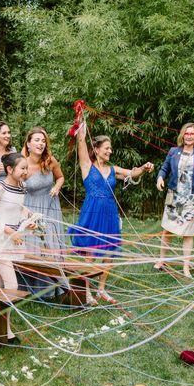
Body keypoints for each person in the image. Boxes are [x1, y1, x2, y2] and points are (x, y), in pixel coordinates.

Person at [68, 124, 153, 305]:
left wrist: (144, 168)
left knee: (109, 252)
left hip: (110, 212)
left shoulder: (113, 169)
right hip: (92, 212)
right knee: (90, 253)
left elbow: (132, 173)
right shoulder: (86, 166)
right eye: (107, 148)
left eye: (110, 148)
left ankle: (101, 289)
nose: (110, 151)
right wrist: (81, 122)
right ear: (97, 149)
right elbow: (81, 141)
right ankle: (87, 291)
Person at [0, 152, 35, 344]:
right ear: (10, 170)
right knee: (12, 285)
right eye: (22, 168)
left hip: (12, 240)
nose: (25, 172)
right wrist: (8, 231)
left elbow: (18, 209)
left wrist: (27, 221)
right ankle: (6, 329)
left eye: (26, 168)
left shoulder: (21, 187)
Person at [155, 123, 194, 277]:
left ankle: (186, 267)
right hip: (174, 196)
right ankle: (162, 260)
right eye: (186, 133)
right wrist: (160, 177)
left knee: (188, 234)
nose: (189, 136)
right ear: (182, 135)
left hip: (191, 199)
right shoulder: (174, 151)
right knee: (167, 230)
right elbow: (164, 168)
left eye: (192, 134)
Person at [21, 126, 66, 297]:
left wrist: (56, 186)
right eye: (37, 140)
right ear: (28, 143)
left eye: (43, 140)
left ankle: (51, 287)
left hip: (50, 206)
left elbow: (61, 177)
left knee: (50, 244)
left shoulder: (50, 161)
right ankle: (29, 287)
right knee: (33, 247)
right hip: (30, 208)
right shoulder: (22, 163)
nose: (40, 143)